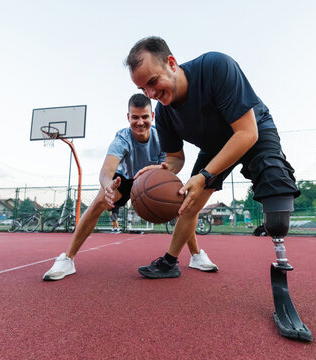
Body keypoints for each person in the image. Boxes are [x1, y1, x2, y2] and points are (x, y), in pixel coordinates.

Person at [125, 36, 300, 279]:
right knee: (189, 203)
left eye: (153, 81)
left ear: (172, 63)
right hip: (213, 146)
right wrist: (161, 169)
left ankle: (281, 257)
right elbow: (175, 158)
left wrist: (206, 175)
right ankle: (169, 262)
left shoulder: (216, 66)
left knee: (274, 177)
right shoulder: (164, 115)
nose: (151, 93)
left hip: (253, 127)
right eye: (143, 89)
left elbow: (247, 133)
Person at [42, 94, 218, 281]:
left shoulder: (162, 136)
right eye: (135, 117)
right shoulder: (122, 138)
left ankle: (196, 255)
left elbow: (171, 166)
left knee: (184, 207)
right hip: (125, 179)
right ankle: (67, 258)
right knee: (98, 202)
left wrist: (162, 181)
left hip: (154, 178)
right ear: (128, 118)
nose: (140, 122)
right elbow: (107, 169)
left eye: (144, 117)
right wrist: (107, 184)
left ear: (152, 116)